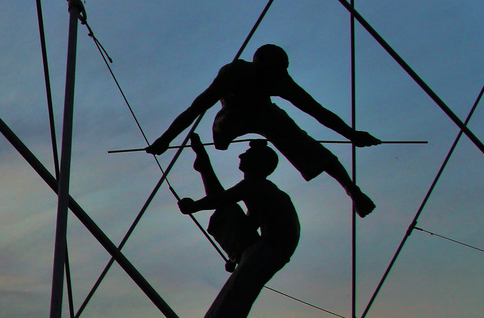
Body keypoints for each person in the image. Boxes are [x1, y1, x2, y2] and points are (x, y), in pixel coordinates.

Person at [146, 44, 381, 217]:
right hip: (232, 116)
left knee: (302, 141)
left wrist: (352, 135)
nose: (272, 79)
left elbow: (317, 111)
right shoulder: (234, 73)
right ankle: (352, 189)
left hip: (263, 114)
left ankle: (352, 190)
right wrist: (165, 139)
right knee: (233, 127)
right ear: (259, 67)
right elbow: (197, 107)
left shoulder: (280, 80)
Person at [137, 137, 300, 318]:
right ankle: (203, 165)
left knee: (228, 302)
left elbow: (221, 199)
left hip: (270, 250)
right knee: (227, 213)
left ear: (256, 164)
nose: (240, 156)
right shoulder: (260, 191)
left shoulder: (257, 186)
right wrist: (237, 257)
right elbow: (243, 217)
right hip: (261, 247)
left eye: (246, 155)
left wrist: (195, 206)